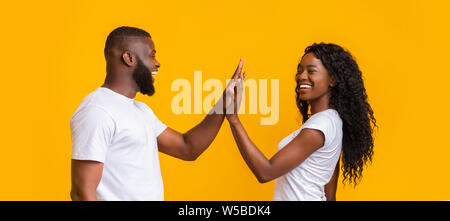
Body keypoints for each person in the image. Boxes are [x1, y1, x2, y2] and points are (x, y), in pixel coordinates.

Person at [70, 26, 244, 201]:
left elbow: (187, 148)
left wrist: (224, 103)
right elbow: (81, 193)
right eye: (152, 55)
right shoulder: (97, 111)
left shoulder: (141, 111)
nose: (157, 63)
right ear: (129, 58)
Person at [225, 43, 377, 201]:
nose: (301, 76)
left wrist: (233, 119)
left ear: (332, 79)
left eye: (311, 71)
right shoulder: (333, 121)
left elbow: (266, 172)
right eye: (300, 70)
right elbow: (330, 196)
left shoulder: (320, 126)